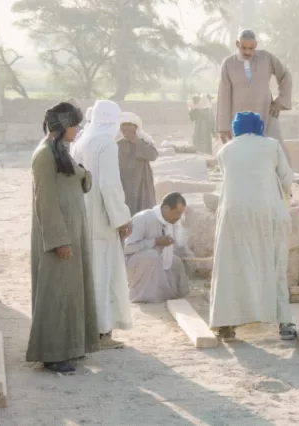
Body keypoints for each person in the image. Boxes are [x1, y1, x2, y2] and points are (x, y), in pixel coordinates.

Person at [209, 111, 296, 342]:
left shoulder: (224, 150)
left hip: (233, 213)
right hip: (266, 211)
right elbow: (287, 178)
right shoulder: (271, 145)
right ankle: (284, 323)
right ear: (259, 127)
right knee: (273, 263)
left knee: (230, 267)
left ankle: (225, 325)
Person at [27, 102, 100, 373]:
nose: (77, 129)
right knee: (55, 292)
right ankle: (52, 352)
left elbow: (77, 179)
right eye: (74, 125)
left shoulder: (60, 151)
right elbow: (44, 201)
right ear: (62, 127)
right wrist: (60, 240)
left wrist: (82, 173)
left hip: (72, 233)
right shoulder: (44, 155)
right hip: (58, 238)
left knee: (71, 291)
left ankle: (71, 347)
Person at [72, 100, 134, 349]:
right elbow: (109, 185)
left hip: (81, 216)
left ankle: (87, 328)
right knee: (102, 273)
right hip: (100, 219)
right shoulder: (106, 144)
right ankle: (100, 331)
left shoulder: (80, 143)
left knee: (88, 272)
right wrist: (122, 218)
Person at [216, 29, 292, 160]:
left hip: (266, 115)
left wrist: (280, 101)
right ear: (237, 44)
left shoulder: (266, 58)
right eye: (244, 48)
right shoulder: (228, 64)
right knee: (243, 156)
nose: (247, 52)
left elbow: (285, 75)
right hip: (239, 120)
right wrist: (224, 127)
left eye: (251, 48)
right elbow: (224, 95)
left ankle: (284, 180)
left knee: (277, 151)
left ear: (256, 45)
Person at [124, 192, 191, 303]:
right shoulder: (143, 218)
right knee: (152, 255)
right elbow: (126, 248)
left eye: (181, 214)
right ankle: (144, 296)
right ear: (166, 208)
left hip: (156, 258)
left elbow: (179, 245)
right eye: (177, 213)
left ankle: (166, 294)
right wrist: (155, 242)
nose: (179, 217)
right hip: (131, 264)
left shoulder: (172, 222)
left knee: (176, 261)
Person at [118, 111, 158, 217]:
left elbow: (153, 155)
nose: (125, 128)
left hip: (142, 186)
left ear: (136, 127)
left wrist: (135, 141)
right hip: (125, 186)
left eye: (128, 125)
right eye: (123, 125)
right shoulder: (117, 144)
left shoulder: (144, 141)